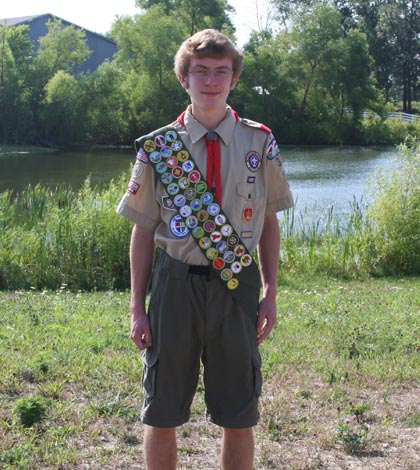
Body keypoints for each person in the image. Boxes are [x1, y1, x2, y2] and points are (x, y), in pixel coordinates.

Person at [116, 29, 293, 470]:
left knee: (239, 411)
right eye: (201, 72)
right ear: (184, 78)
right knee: (162, 409)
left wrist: (270, 291)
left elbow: (269, 219)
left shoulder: (260, 142)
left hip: (237, 285)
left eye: (221, 72)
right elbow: (142, 230)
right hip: (175, 285)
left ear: (233, 80)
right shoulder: (160, 149)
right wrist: (137, 307)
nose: (210, 81)